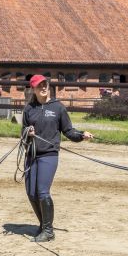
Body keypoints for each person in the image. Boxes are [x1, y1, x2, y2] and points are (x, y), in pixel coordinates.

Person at [22, 74, 93, 242]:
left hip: (49, 154)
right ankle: (43, 225)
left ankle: (48, 231)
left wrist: (82, 135)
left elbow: (68, 130)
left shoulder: (58, 108)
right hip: (31, 155)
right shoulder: (28, 109)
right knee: (31, 193)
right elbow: (23, 134)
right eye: (39, 86)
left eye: (45, 84)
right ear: (33, 89)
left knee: (42, 191)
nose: (44, 87)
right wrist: (28, 133)